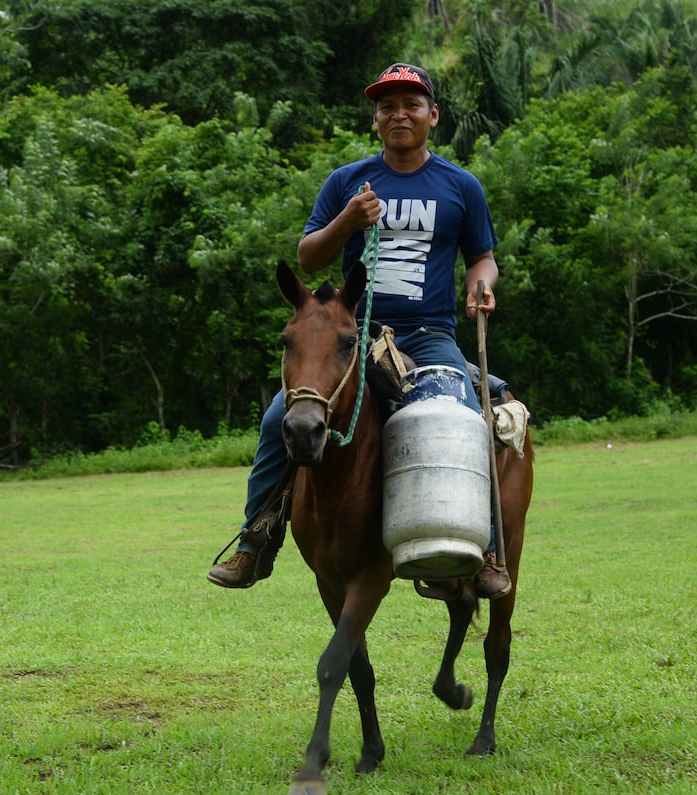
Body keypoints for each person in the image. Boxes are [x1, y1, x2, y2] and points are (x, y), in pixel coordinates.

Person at [207, 63, 511, 599]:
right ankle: (256, 540)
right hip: (352, 338)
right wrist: (346, 220)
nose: (399, 114)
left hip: (428, 335)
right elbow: (308, 254)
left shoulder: (461, 185)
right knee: (281, 414)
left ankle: (480, 548)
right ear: (375, 119)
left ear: (432, 116)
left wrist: (480, 287)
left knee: (462, 414)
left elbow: (482, 258)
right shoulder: (347, 181)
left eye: (411, 104)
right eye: (387, 106)